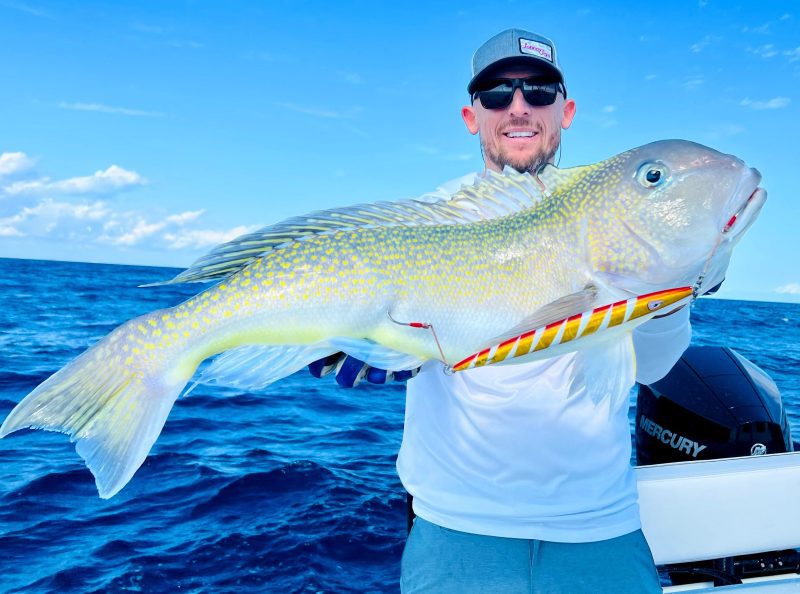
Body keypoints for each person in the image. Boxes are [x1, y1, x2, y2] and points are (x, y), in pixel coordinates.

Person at [313, 29, 691, 593]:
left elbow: (655, 368)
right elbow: (350, 314)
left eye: (538, 91)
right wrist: (330, 345)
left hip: (600, 526)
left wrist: (670, 292)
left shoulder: (617, 207)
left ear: (566, 112)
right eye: (497, 94)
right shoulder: (426, 219)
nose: (518, 107)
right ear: (472, 116)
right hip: (456, 530)